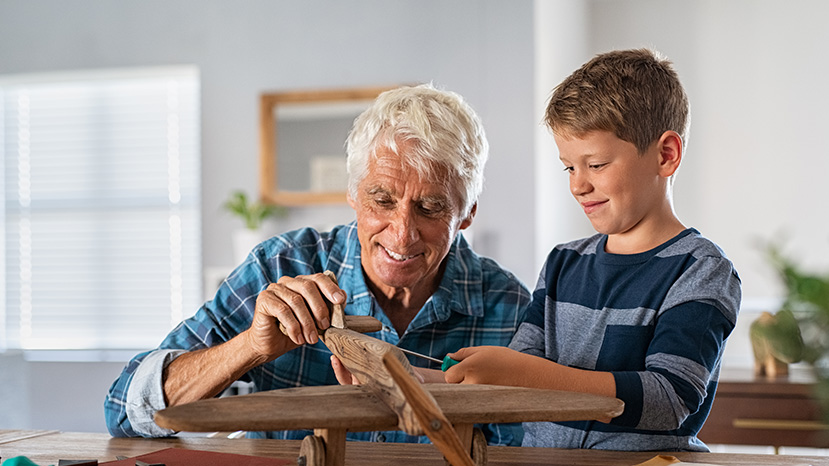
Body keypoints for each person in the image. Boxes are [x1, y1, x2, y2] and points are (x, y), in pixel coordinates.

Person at [104, 83, 530, 445]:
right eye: (381, 200)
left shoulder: (509, 307)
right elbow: (124, 410)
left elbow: (545, 452)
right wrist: (250, 347)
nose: (402, 234)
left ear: (468, 213)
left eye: (431, 208)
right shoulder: (279, 266)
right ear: (352, 193)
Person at [443, 49, 742, 452]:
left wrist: (523, 374)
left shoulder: (700, 271)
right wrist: (411, 378)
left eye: (596, 164)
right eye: (569, 167)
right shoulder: (564, 263)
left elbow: (668, 399)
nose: (577, 185)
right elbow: (514, 377)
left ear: (666, 155)